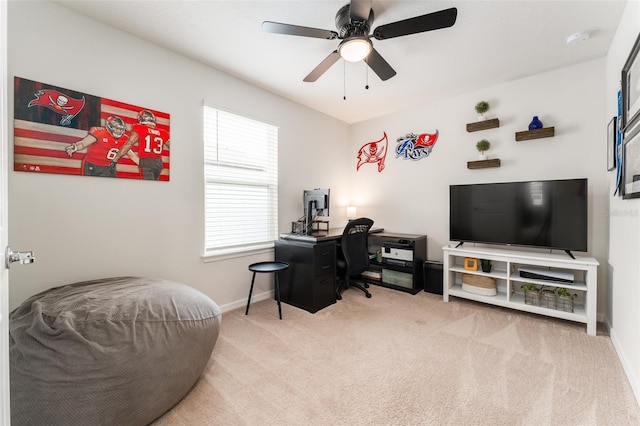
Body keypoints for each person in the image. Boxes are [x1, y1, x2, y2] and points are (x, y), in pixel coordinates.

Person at [110, 109, 170, 180]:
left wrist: (115, 160)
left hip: (146, 163)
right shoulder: (162, 132)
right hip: (158, 164)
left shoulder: (140, 128)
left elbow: (129, 144)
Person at [65, 115, 132, 177]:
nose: (119, 131)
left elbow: (131, 154)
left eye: (120, 129)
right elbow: (84, 143)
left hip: (108, 166)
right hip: (92, 164)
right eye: (116, 128)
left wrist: (140, 163)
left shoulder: (124, 138)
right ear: (109, 126)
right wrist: (75, 147)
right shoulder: (100, 132)